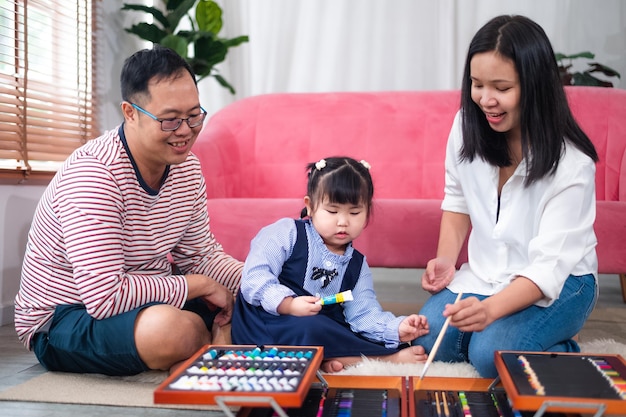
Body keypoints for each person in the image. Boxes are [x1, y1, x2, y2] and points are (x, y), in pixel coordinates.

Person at [14, 45, 243, 376]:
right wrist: (202, 286)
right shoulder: (95, 175)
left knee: (256, 301)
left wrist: (260, 281)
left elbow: (201, 255)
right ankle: (209, 341)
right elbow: (105, 296)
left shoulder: (187, 169)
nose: (185, 130)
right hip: (67, 316)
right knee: (174, 330)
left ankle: (208, 345)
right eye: (169, 120)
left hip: (148, 299)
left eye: (194, 116)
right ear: (130, 112)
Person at [414, 15, 599, 378]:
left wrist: (491, 310)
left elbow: (548, 268)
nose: (486, 100)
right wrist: (446, 261)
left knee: (489, 356)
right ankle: (523, 335)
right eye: (476, 84)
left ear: (535, 86)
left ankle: (564, 344)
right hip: (487, 275)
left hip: (563, 283)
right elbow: (458, 200)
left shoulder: (572, 164)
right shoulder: (466, 127)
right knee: (428, 338)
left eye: (501, 87)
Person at [231, 156, 429, 372]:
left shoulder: (356, 264)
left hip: (320, 323)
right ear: (311, 207)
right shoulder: (286, 233)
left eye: (354, 213)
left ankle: (331, 360)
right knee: (311, 329)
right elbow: (255, 277)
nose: (343, 221)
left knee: (347, 330)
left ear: (367, 212)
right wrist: (288, 304)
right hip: (269, 319)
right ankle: (381, 360)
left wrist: (397, 328)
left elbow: (363, 313)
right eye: (332, 211)